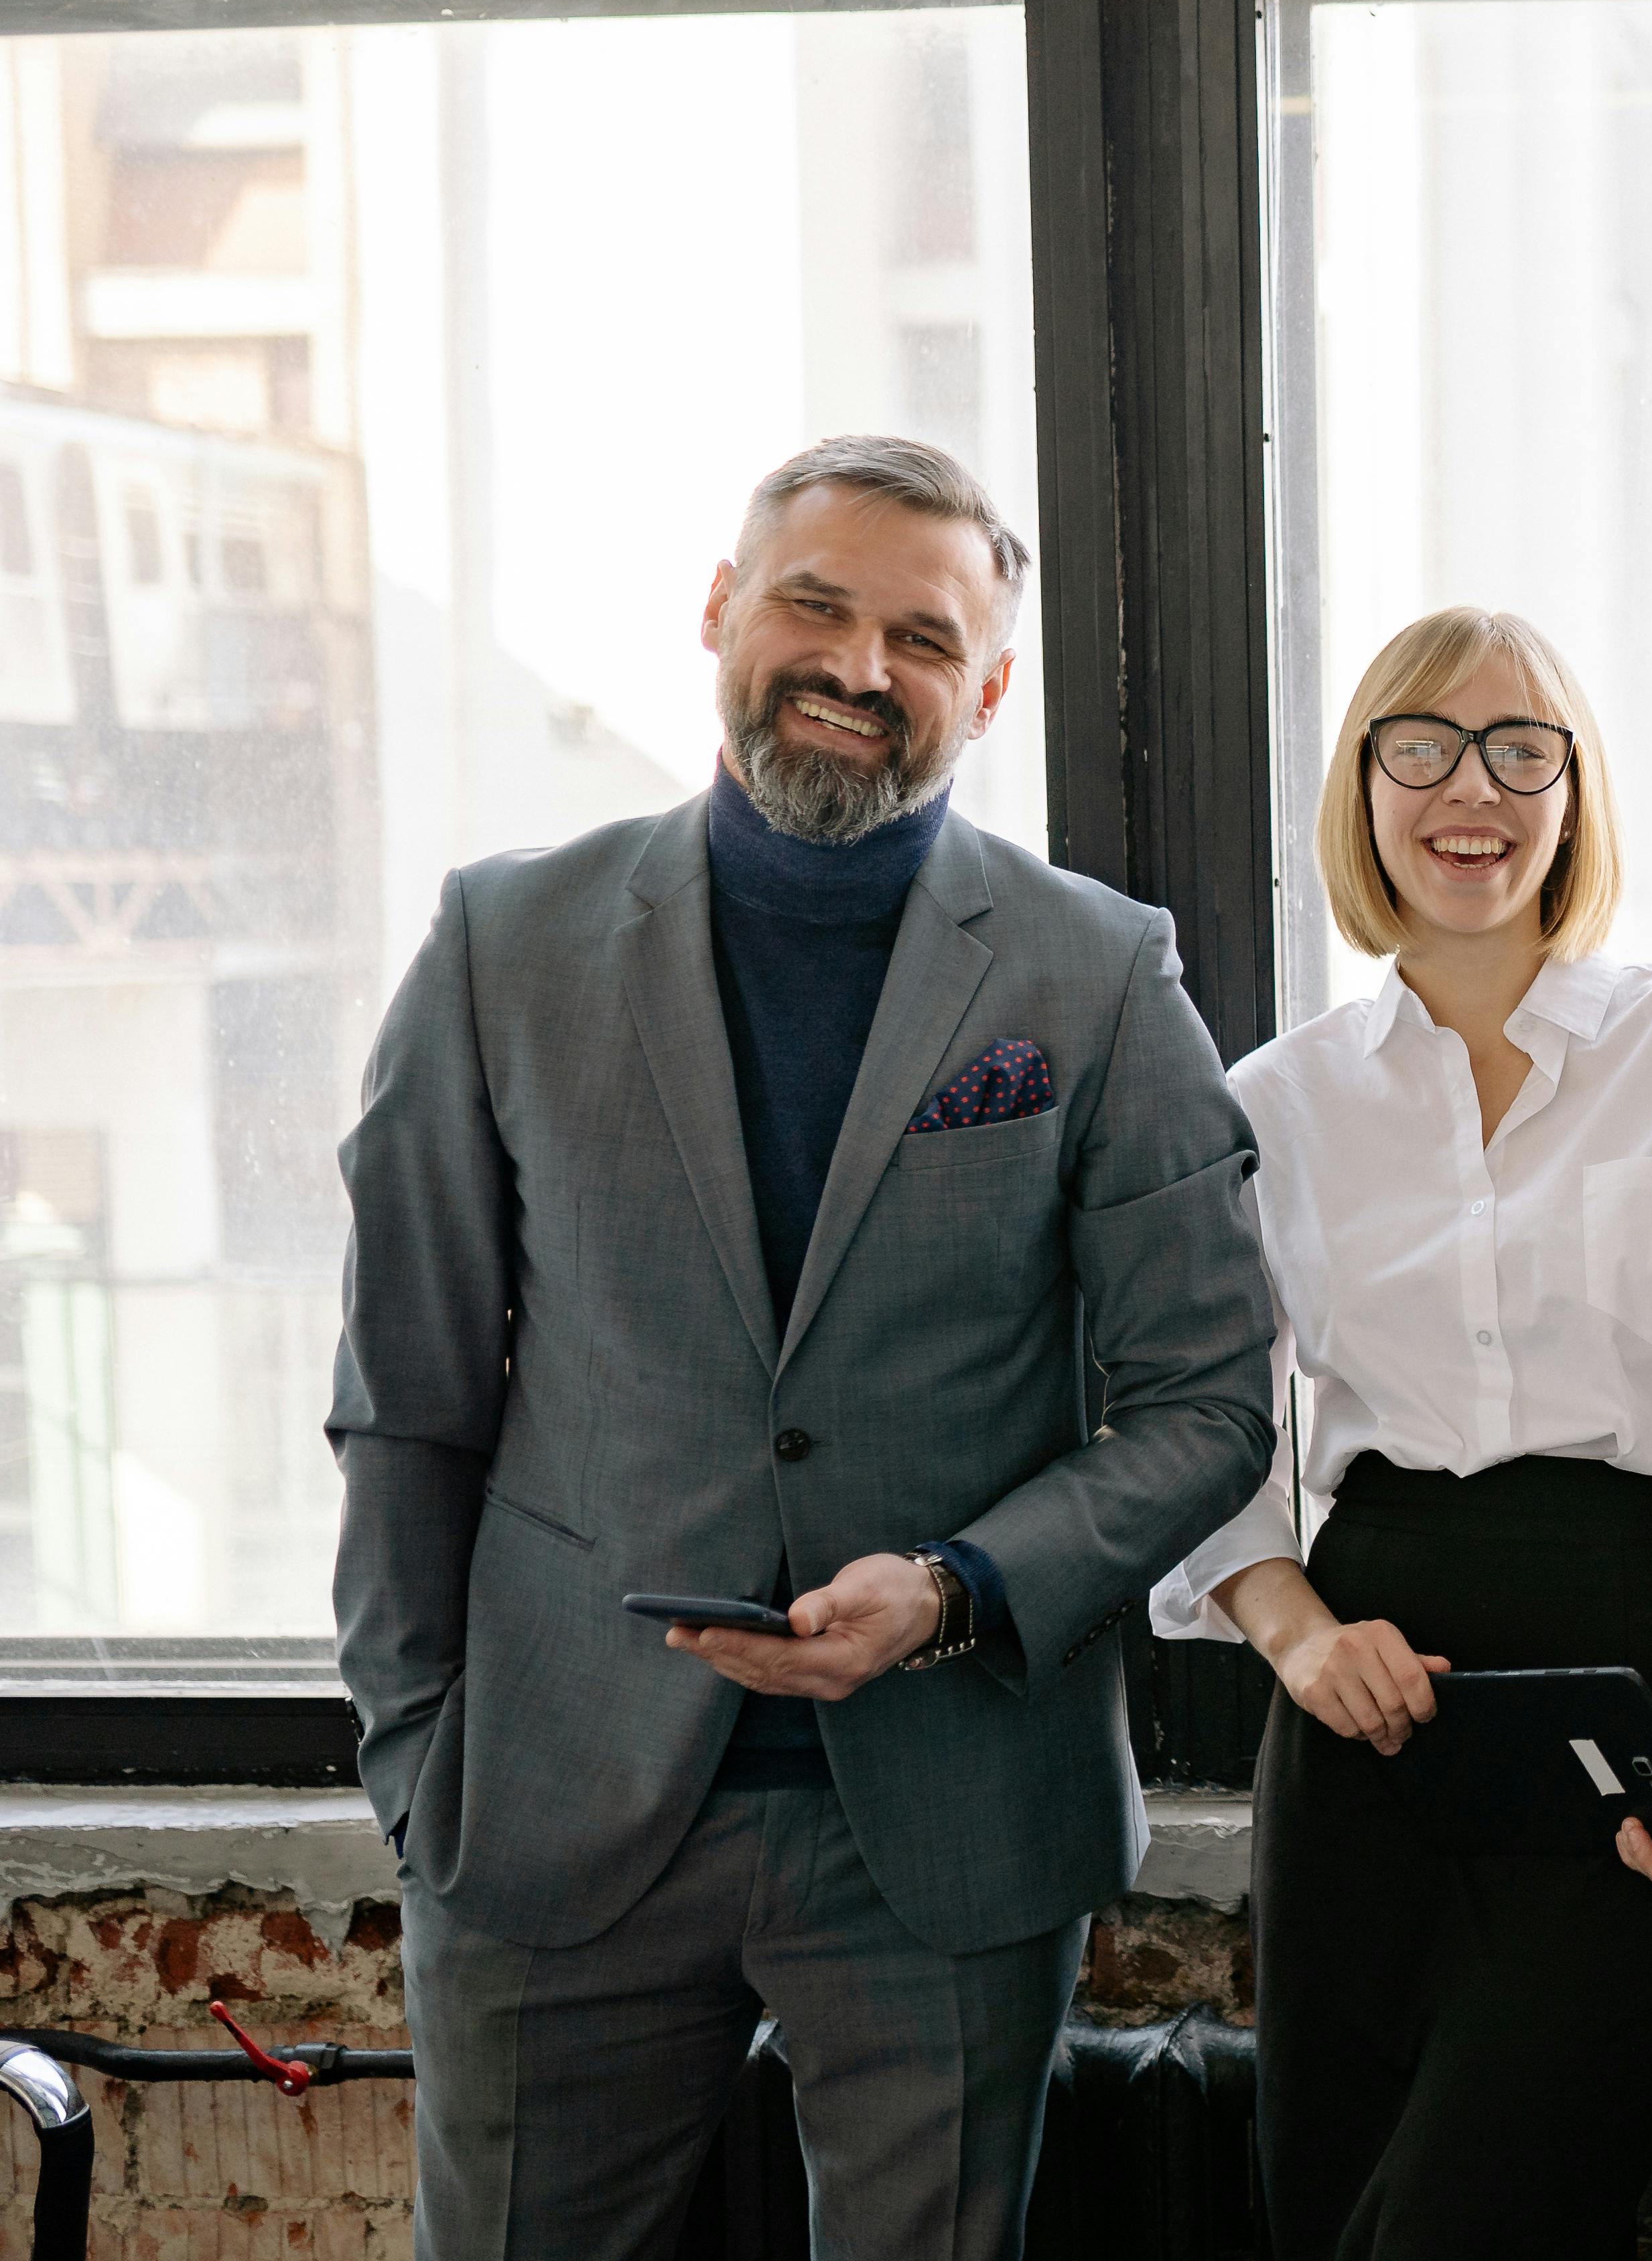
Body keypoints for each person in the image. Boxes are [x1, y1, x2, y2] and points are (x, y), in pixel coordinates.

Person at [328, 435, 1275, 2259]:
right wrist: (416, 1759)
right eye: (815, 607)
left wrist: (958, 1589)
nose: (857, 666)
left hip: (955, 1822)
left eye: (922, 638)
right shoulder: (501, 942)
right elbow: (407, 1396)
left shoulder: (1096, 973)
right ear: (720, 610)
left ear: (987, 690)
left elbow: (1209, 1403)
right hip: (548, 1805)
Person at [1146, 606, 1652, 2257]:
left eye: (1523, 749)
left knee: (1483, 2206)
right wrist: (1296, 1633)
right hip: (1368, 1690)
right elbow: (1194, 1415)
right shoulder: (1274, 1099)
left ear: (1574, 792)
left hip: (1627, 1674)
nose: (1475, 789)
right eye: (1426, 746)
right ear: (1364, 785)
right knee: (1336, 2200)